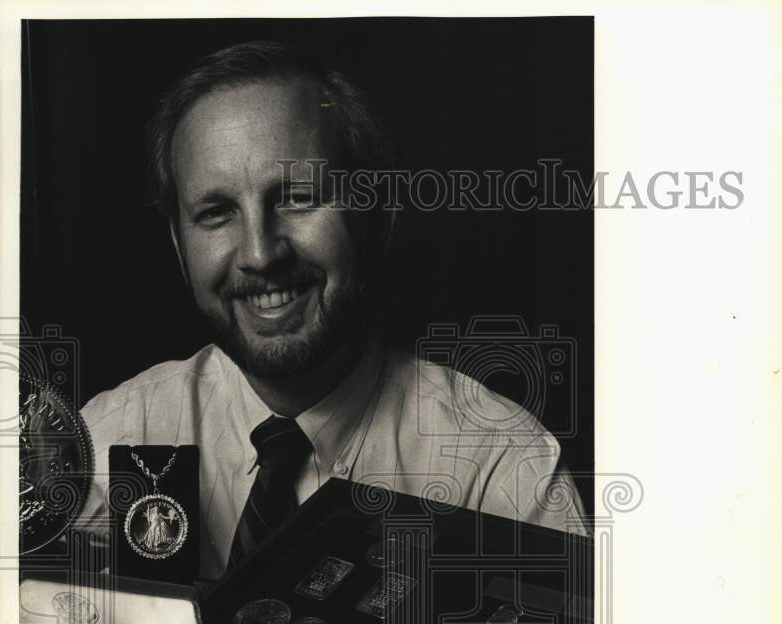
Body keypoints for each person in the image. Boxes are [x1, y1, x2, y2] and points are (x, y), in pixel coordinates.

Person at [78, 40, 589, 581]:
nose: (260, 255)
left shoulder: (499, 468)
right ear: (181, 249)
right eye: (217, 212)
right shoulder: (106, 444)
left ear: (377, 218)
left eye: (297, 197)